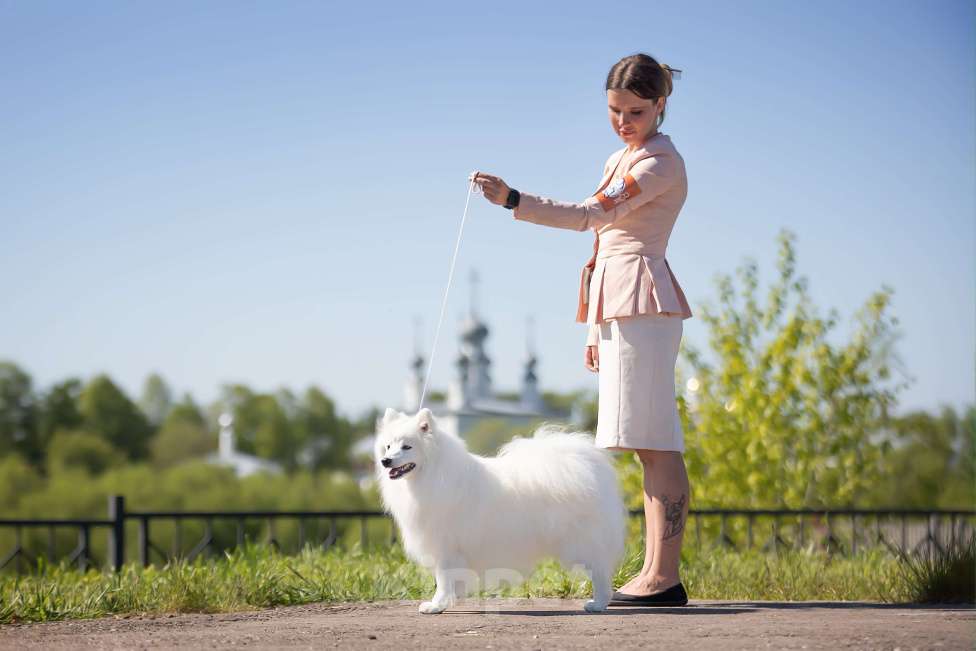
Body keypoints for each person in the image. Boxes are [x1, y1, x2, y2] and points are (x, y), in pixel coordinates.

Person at [470, 53, 692, 607]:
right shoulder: (622, 156)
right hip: (619, 305)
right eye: (615, 110)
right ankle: (654, 574)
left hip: (642, 301)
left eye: (636, 111)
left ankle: (664, 578)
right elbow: (603, 247)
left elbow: (593, 217)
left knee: (656, 442)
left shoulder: (657, 163)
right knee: (644, 444)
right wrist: (593, 329)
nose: (624, 121)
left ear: (661, 105)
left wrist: (515, 200)